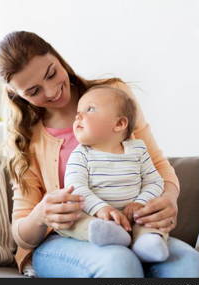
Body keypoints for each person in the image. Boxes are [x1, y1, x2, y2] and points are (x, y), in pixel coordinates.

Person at [0, 30, 199, 277]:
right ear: (16, 95)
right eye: (33, 91)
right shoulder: (26, 138)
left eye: (51, 73)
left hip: (133, 228)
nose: (52, 91)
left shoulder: (114, 95)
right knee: (118, 263)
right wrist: (42, 214)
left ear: (57, 57)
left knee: (190, 265)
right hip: (64, 239)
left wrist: (169, 198)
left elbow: (156, 164)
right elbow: (22, 233)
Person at [57, 85, 169, 263]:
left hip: (133, 216)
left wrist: (140, 202)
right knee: (71, 221)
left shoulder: (138, 149)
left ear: (119, 124)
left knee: (150, 219)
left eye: (90, 109)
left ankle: (148, 242)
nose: (78, 116)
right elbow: (76, 188)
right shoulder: (80, 154)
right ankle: (109, 234)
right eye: (78, 111)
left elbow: (155, 182)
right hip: (93, 214)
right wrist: (101, 209)